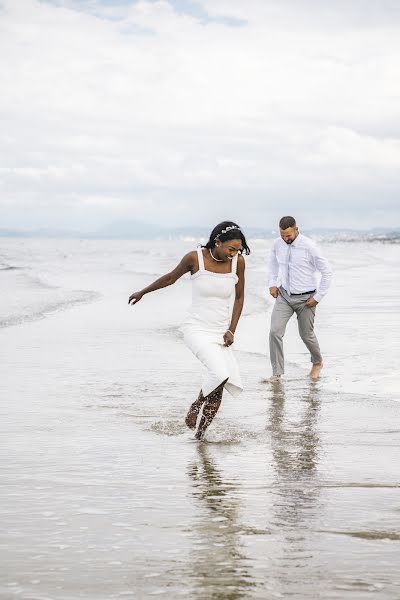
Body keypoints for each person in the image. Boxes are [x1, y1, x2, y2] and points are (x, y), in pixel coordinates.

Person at [128, 221, 250, 440]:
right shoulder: (195, 258)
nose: (234, 254)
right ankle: (196, 404)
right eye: (231, 249)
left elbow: (240, 297)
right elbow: (170, 278)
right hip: (196, 329)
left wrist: (232, 330)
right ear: (217, 242)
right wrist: (143, 292)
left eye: (237, 250)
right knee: (220, 374)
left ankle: (200, 436)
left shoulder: (237, 263)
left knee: (220, 384)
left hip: (221, 333)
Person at [267, 216, 333, 381]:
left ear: (297, 229)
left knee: (306, 335)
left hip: (307, 299)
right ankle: (277, 373)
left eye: (288, 235)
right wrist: (272, 284)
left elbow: (327, 272)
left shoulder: (309, 246)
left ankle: (317, 362)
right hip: (284, 295)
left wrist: (318, 297)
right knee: (275, 331)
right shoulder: (277, 244)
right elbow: (273, 265)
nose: (285, 238)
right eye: (282, 235)